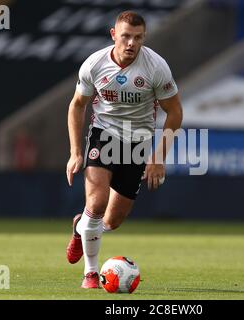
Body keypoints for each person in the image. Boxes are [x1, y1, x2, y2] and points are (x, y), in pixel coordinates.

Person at [65, 11, 183, 289]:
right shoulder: (94, 64)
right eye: (126, 36)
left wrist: (158, 158)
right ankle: (91, 274)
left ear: (144, 37)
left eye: (138, 37)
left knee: (112, 221)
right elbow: (77, 106)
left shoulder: (156, 67)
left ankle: (80, 228)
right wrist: (75, 152)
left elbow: (174, 112)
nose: (131, 43)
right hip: (103, 135)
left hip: (137, 143)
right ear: (113, 35)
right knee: (96, 203)